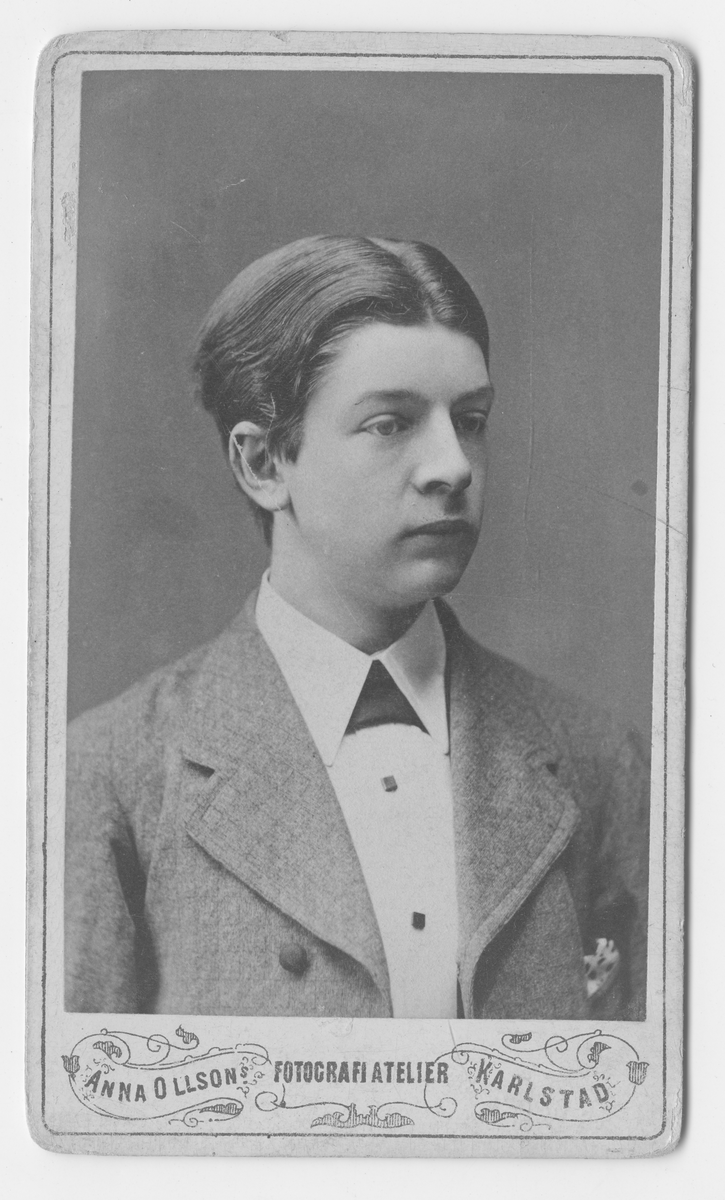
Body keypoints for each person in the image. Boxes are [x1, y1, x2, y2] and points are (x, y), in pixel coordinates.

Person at [65, 234, 649, 1020]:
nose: (453, 465)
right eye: (390, 424)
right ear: (263, 464)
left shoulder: (599, 761)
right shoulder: (111, 774)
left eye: (470, 419)